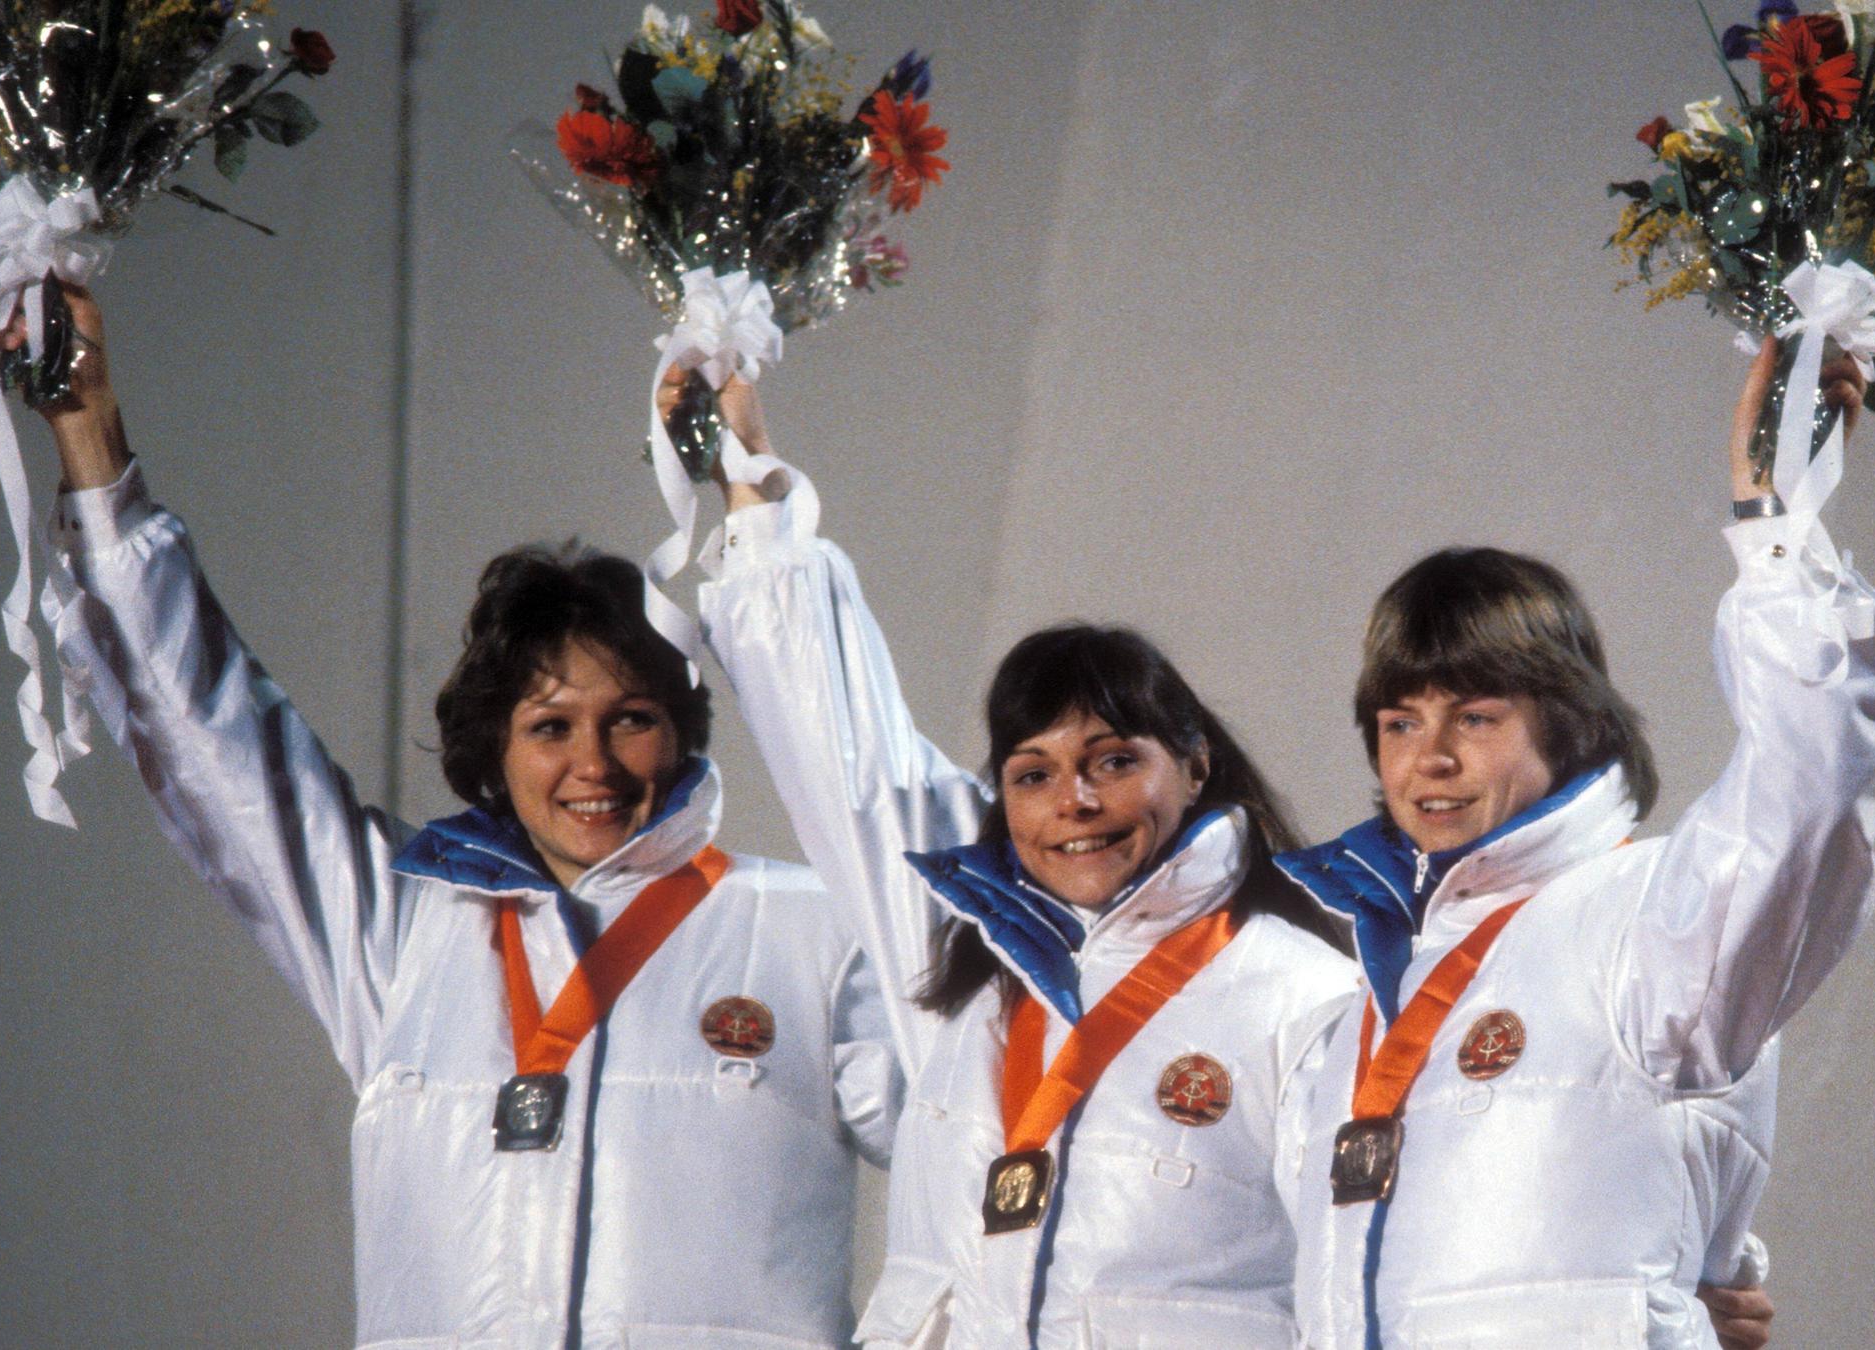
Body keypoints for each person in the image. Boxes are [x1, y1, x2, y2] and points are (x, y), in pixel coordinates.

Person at [682, 373, 1777, 1349]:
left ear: (1196, 766)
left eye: (1115, 760)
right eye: (1032, 773)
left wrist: (1699, 1276)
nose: (1076, 803)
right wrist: (754, 514)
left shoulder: (1307, 992)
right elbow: (851, 764)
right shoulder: (959, 970)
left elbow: (1415, 1236)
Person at [2, 286, 898, 1350]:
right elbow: (216, 745)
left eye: (633, 720)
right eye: (551, 727)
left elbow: (988, 1143)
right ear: (495, 745)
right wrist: (88, 434)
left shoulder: (813, 931)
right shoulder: (401, 931)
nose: (594, 766)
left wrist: (750, 493)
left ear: (686, 728)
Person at [1273, 340, 1875, 1348]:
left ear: (1567, 722)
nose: (1428, 759)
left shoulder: (1650, 919)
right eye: (1399, 723)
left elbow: (1812, 774)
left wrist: (1778, 528)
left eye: (1475, 718)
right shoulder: (1346, 1017)